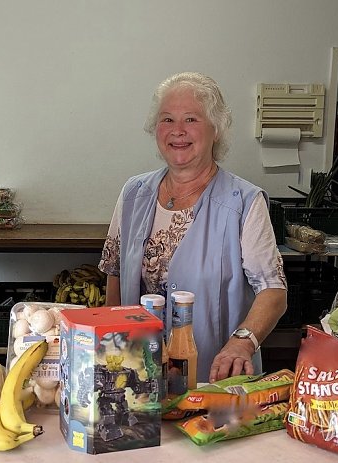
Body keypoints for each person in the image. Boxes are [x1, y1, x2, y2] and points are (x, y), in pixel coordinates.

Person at [99, 71, 287, 383]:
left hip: (214, 380)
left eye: (191, 119)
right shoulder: (134, 192)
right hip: (136, 375)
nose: (178, 131)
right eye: (167, 119)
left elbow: (272, 290)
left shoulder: (244, 202)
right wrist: (107, 349)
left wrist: (243, 342)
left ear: (216, 129)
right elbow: (115, 273)